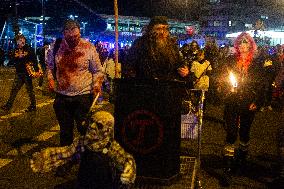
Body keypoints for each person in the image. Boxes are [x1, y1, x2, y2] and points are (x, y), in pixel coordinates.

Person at [30, 111, 136, 189]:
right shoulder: (83, 143)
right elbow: (67, 153)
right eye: (91, 122)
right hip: (84, 184)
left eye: (98, 125)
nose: (92, 126)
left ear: (107, 130)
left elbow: (126, 161)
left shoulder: (112, 147)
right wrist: (45, 158)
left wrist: (127, 173)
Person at [46, 19, 104, 147]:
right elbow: (49, 66)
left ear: (80, 33)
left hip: (83, 96)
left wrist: (97, 85)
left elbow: (98, 70)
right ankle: (66, 158)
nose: (73, 39)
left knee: (84, 129)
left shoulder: (88, 47)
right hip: (62, 96)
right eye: (69, 36)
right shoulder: (56, 46)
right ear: (64, 34)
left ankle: (87, 157)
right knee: (65, 132)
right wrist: (50, 79)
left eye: (76, 36)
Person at [217, 32, 264, 186]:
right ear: (237, 45)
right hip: (232, 100)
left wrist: (257, 101)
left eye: (246, 43)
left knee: (244, 133)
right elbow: (222, 77)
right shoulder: (230, 60)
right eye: (241, 43)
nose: (243, 46)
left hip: (248, 102)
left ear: (250, 45)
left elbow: (261, 84)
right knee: (231, 132)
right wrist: (225, 89)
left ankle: (242, 158)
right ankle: (228, 164)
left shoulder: (256, 64)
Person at [122, 16, 189, 80]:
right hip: (146, 87)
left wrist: (184, 71)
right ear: (151, 30)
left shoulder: (171, 45)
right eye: (158, 29)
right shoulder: (140, 43)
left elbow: (179, 63)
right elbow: (129, 65)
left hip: (167, 87)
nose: (162, 32)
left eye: (165, 29)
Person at [1, 34, 40, 112]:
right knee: (14, 90)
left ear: (24, 40)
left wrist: (36, 71)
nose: (21, 41)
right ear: (17, 42)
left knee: (30, 90)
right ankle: (8, 106)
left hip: (27, 73)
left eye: (22, 39)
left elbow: (34, 60)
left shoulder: (29, 49)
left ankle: (33, 106)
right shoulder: (15, 50)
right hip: (19, 73)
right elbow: (12, 60)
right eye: (19, 40)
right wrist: (16, 57)